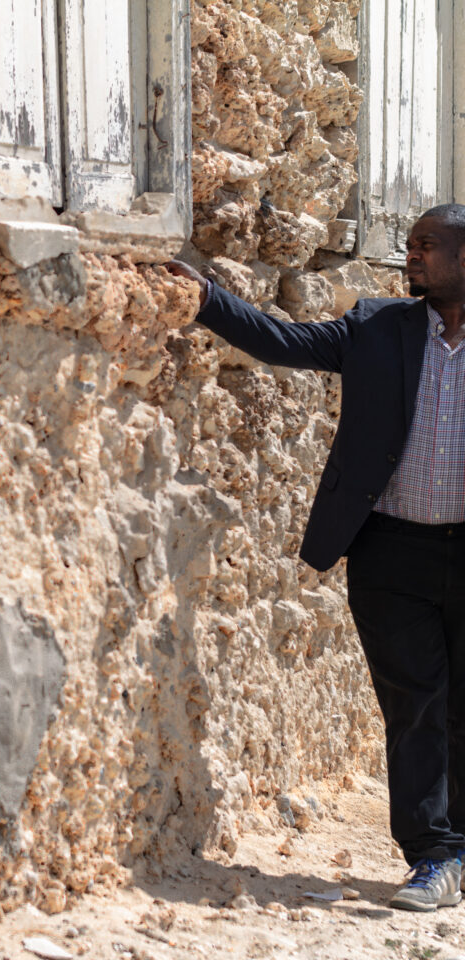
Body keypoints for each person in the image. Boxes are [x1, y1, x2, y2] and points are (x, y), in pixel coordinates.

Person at [165, 204, 465, 912]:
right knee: (415, 705)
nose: (410, 257)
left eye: (427, 246)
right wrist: (208, 297)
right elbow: (282, 342)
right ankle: (435, 854)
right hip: (391, 553)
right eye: (410, 243)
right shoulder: (376, 329)